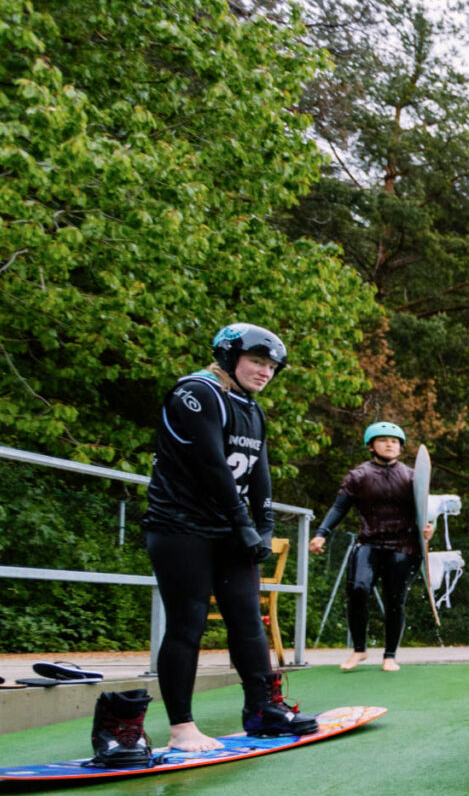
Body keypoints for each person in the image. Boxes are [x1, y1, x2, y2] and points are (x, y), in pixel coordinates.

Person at [138, 324, 319, 757]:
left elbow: (258, 468)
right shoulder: (195, 393)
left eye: (272, 367)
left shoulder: (251, 407)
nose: (265, 372)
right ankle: (182, 728)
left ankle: (262, 710)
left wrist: (265, 525)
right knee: (188, 623)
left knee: (247, 619)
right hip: (181, 526)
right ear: (227, 357)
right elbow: (212, 465)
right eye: (257, 361)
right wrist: (241, 523)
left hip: (227, 527)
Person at [308, 422, 432, 671]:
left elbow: (425, 511)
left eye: (395, 441)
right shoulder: (358, 476)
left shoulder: (411, 476)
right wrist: (322, 533)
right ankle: (359, 650)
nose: (390, 444)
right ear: (370, 446)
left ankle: (390, 655)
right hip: (369, 542)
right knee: (357, 590)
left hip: (404, 546)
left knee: (395, 599)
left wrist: (428, 529)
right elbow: (339, 507)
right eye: (384, 440)